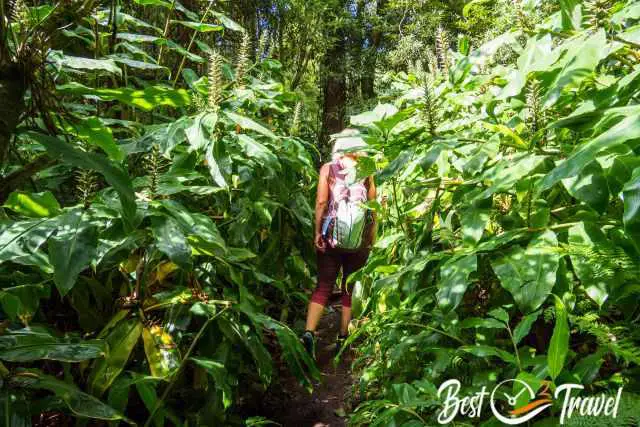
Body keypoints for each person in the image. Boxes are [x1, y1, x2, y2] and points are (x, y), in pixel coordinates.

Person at [301, 129, 376, 358]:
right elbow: (373, 208)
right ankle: (344, 337)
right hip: (358, 240)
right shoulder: (367, 170)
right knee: (348, 287)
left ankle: (309, 334)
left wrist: (317, 233)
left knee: (323, 285)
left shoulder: (328, 168)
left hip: (330, 236)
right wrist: (372, 237)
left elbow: (322, 201)